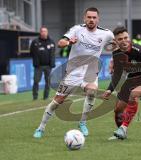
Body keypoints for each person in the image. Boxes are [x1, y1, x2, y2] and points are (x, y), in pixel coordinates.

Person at [33, 7, 114, 138]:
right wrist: (69, 42)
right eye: (89, 17)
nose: (91, 20)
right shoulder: (77, 29)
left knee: (92, 91)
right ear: (84, 18)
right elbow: (60, 43)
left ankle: (82, 122)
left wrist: (114, 60)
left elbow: (115, 46)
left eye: (94, 17)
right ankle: (41, 128)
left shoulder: (106, 34)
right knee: (57, 101)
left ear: (98, 19)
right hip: (73, 72)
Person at [30, 26, 56, 100]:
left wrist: (52, 63)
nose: (44, 33)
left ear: (47, 32)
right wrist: (36, 62)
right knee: (36, 81)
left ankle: (46, 97)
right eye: (42, 31)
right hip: (38, 66)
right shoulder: (35, 42)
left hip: (48, 66)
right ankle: (35, 97)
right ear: (40, 32)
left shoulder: (51, 41)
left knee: (48, 82)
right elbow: (31, 52)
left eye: (45, 31)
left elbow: (53, 53)